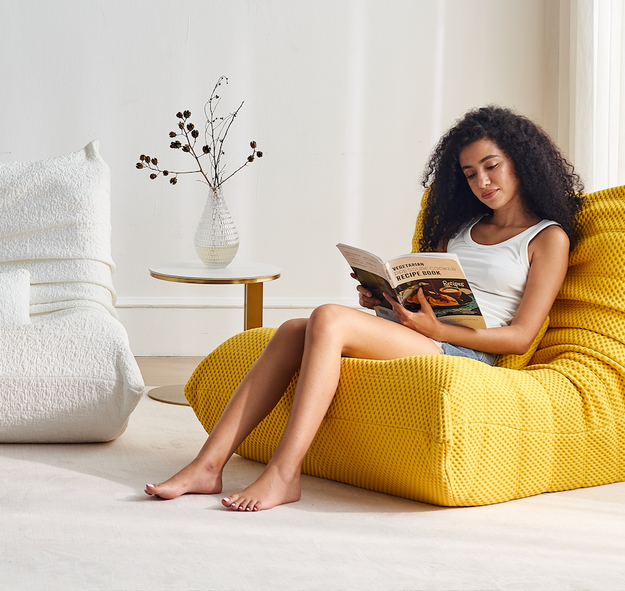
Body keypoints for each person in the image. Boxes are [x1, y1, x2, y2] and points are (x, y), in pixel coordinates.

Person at [145, 105, 583, 511]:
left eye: (492, 166)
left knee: (328, 318)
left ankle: (283, 474)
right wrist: (385, 299)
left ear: (520, 163)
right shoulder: (461, 228)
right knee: (294, 329)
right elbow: (429, 294)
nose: (483, 183)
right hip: (421, 331)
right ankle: (207, 465)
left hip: (466, 350)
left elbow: (522, 334)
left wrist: (439, 332)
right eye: (470, 174)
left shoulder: (546, 238)